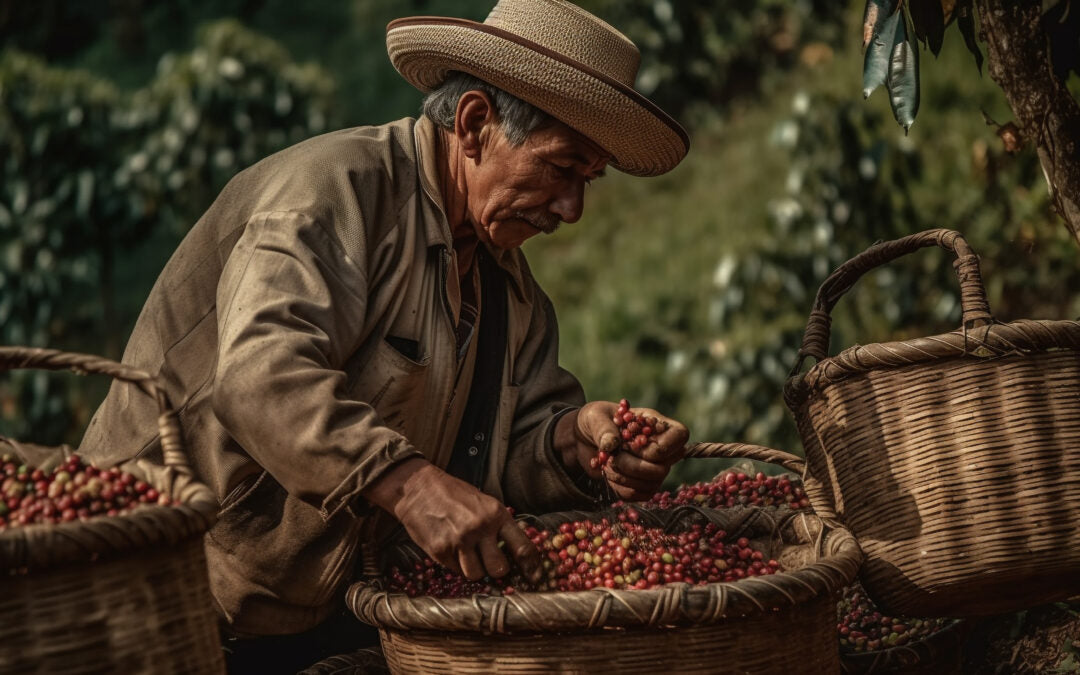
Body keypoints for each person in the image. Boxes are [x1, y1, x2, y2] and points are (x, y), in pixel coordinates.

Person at [78, 0, 691, 671]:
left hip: (326, 615)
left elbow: (497, 461)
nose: (573, 209)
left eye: (588, 181)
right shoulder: (332, 193)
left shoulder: (513, 296)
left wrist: (574, 442)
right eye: (561, 167)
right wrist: (411, 485)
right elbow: (261, 377)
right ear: (476, 123)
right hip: (166, 599)